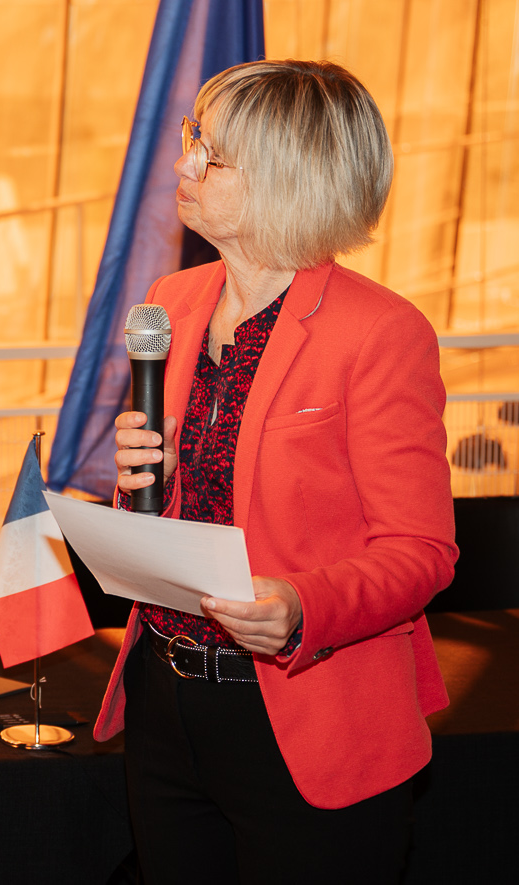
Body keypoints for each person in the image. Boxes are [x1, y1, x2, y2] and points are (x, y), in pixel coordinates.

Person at [97, 59, 457, 884]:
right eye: (192, 139)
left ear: (286, 180)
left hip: (311, 712)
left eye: (210, 154)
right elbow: (175, 502)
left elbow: (421, 550)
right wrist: (138, 476)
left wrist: (300, 606)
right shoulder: (172, 299)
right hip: (167, 695)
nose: (184, 163)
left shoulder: (380, 332)